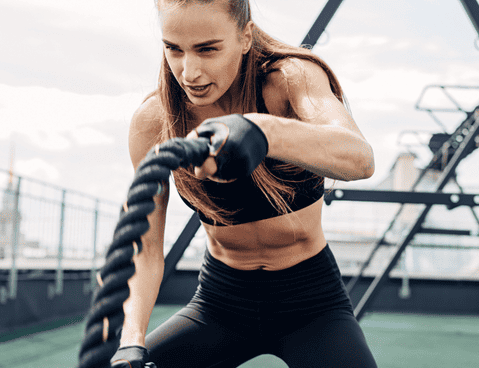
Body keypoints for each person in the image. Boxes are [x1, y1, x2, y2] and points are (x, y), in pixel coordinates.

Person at [111, 0, 377, 367]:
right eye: (173, 49)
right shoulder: (154, 121)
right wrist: (131, 341)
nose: (189, 72)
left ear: (245, 36)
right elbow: (146, 247)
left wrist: (262, 131)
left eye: (208, 49)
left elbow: (360, 159)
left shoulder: (290, 79)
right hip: (220, 305)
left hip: (312, 304)